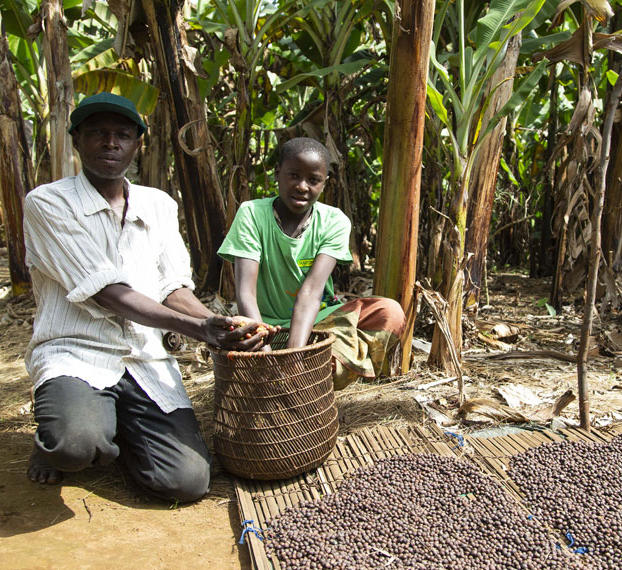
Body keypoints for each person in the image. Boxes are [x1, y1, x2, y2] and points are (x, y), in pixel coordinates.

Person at [23, 92, 265, 503]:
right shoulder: (48, 202)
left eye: (122, 134)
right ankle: (61, 435)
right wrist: (196, 329)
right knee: (74, 446)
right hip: (76, 353)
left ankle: (110, 429)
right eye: (98, 133)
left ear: (138, 144)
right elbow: (107, 292)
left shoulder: (158, 205)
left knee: (186, 483)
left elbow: (173, 286)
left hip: (145, 359)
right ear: (77, 139)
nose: (110, 143)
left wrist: (219, 324)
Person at [218, 137, 405, 389]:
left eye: (313, 180)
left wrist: (292, 358)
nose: (302, 186)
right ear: (277, 174)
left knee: (389, 312)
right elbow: (245, 294)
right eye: (293, 175)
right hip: (264, 327)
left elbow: (310, 293)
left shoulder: (334, 221)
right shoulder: (251, 213)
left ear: (324, 183)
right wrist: (266, 351)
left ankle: (309, 369)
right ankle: (309, 370)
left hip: (316, 326)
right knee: (246, 347)